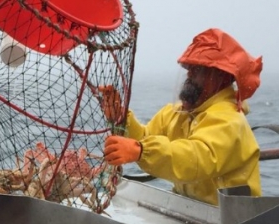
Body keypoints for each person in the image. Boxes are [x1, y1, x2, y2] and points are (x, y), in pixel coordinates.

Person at [101, 28, 264, 206]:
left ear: (220, 77)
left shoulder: (229, 120)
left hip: (234, 219)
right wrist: (122, 119)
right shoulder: (178, 113)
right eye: (188, 68)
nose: (189, 74)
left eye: (198, 69)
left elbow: (196, 158)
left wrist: (141, 151)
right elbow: (145, 138)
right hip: (190, 211)